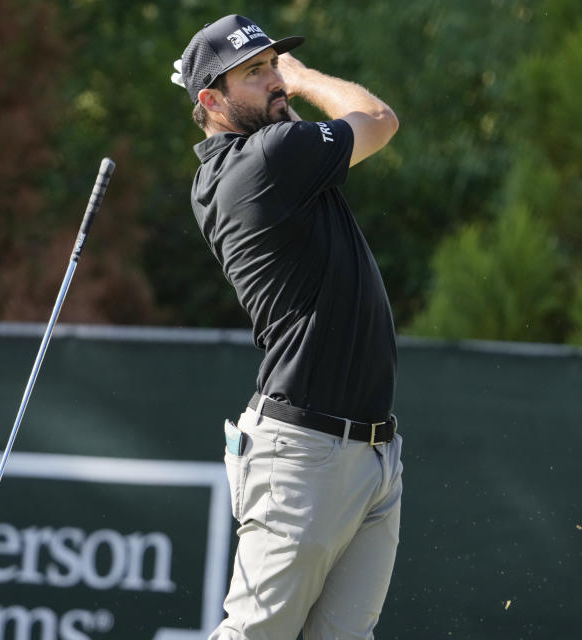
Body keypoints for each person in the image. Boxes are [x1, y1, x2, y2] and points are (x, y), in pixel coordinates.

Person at [172, 14, 403, 640]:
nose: (275, 80)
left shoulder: (260, 160)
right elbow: (378, 119)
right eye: (255, 73)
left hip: (370, 452)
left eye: (276, 64)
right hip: (304, 454)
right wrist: (305, 79)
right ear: (210, 101)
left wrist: (275, 94)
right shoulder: (268, 159)